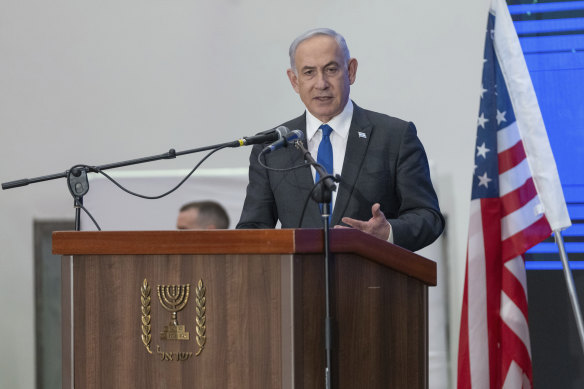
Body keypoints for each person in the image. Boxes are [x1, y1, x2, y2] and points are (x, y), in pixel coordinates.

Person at [236, 28, 444, 252]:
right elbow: (253, 227)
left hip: (373, 281)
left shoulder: (394, 136)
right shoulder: (271, 147)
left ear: (351, 71)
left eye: (331, 69)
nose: (321, 83)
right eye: (309, 72)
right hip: (295, 282)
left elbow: (428, 217)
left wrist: (388, 233)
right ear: (294, 81)